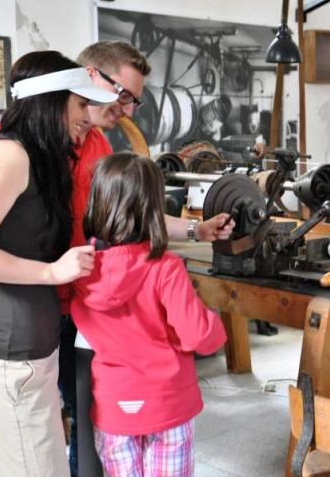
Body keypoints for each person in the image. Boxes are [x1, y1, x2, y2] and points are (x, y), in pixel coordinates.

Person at [0, 41, 235, 476]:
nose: (127, 110)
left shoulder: (87, 144)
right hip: (31, 324)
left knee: (80, 431)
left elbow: (128, 212)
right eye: (124, 95)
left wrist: (194, 229)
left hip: (70, 303)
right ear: (89, 81)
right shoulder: (12, 149)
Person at [0, 51, 119, 476]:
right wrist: (50, 272)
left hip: (18, 360)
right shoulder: (11, 155)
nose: (87, 115)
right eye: (79, 103)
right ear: (50, 100)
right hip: (11, 367)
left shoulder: (38, 157)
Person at [72, 153, 227, 476]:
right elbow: (200, 337)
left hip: (114, 406)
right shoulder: (165, 269)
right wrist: (214, 320)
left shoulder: (82, 269)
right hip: (168, 403)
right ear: (153, 208)